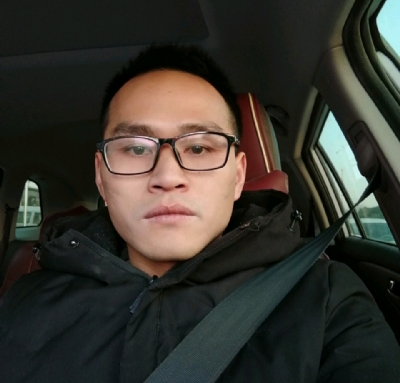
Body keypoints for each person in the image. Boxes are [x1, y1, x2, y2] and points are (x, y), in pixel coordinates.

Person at [0, 44, 399, 383]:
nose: (167, 176)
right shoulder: (24, 305)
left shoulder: (325, 300)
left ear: (238, 177)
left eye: (198, 148)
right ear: (101, 179)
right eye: (136, 148)